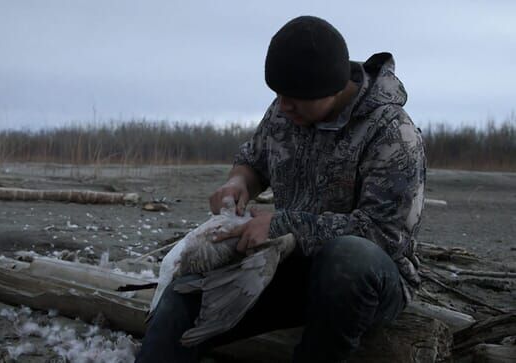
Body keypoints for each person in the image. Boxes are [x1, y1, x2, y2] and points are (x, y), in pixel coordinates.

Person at [136, 15, 425, 363]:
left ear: (332, 89)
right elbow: (253, 160)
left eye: (294, 98)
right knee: (182, 300)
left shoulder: (391, 132)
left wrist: (282, 225)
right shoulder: (288, 110)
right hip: (285, 263)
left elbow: (384, 235)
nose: (283, 106)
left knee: (348, 258)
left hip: (368, 281)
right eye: (278, 95)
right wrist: (238, 182)